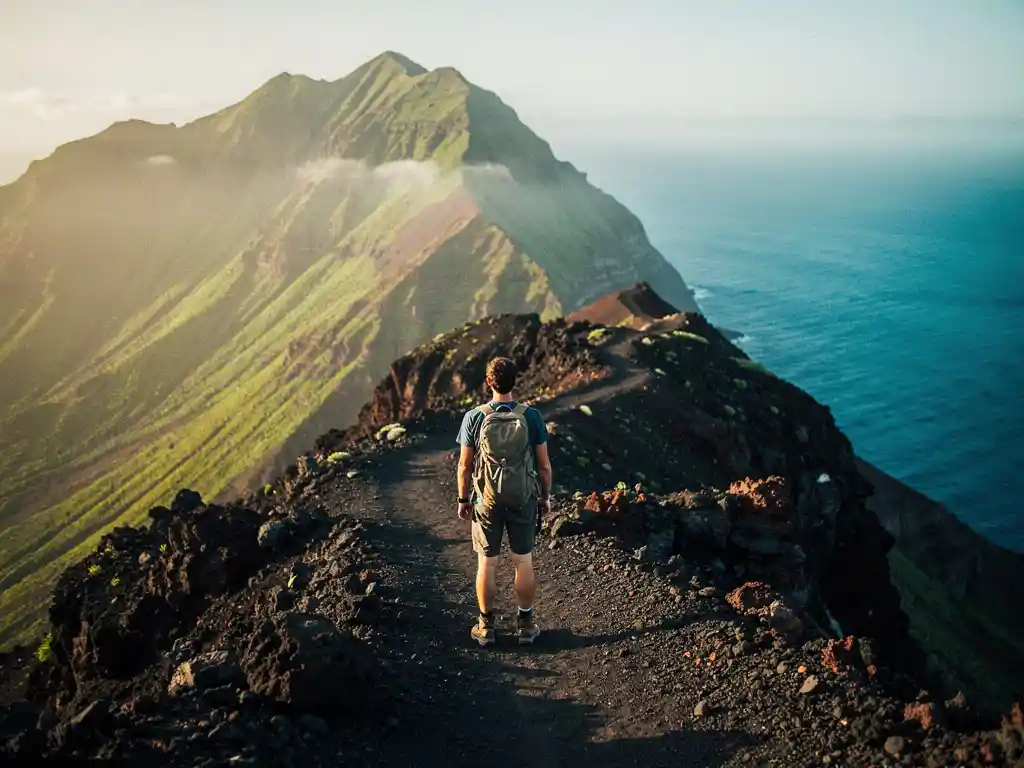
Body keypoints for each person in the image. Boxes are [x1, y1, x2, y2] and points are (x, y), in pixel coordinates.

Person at [456, 356, 553, 646]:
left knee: (487, 562)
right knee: (522, 560)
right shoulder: (531, 416)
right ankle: (525, 624)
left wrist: (463, 500)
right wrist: (545, 497)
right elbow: (544, 465)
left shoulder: (474, 417)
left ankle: (486, 627)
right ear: (515, 381)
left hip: (486, 500)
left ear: (489, 383)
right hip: (523, 497)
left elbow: (464, 465)